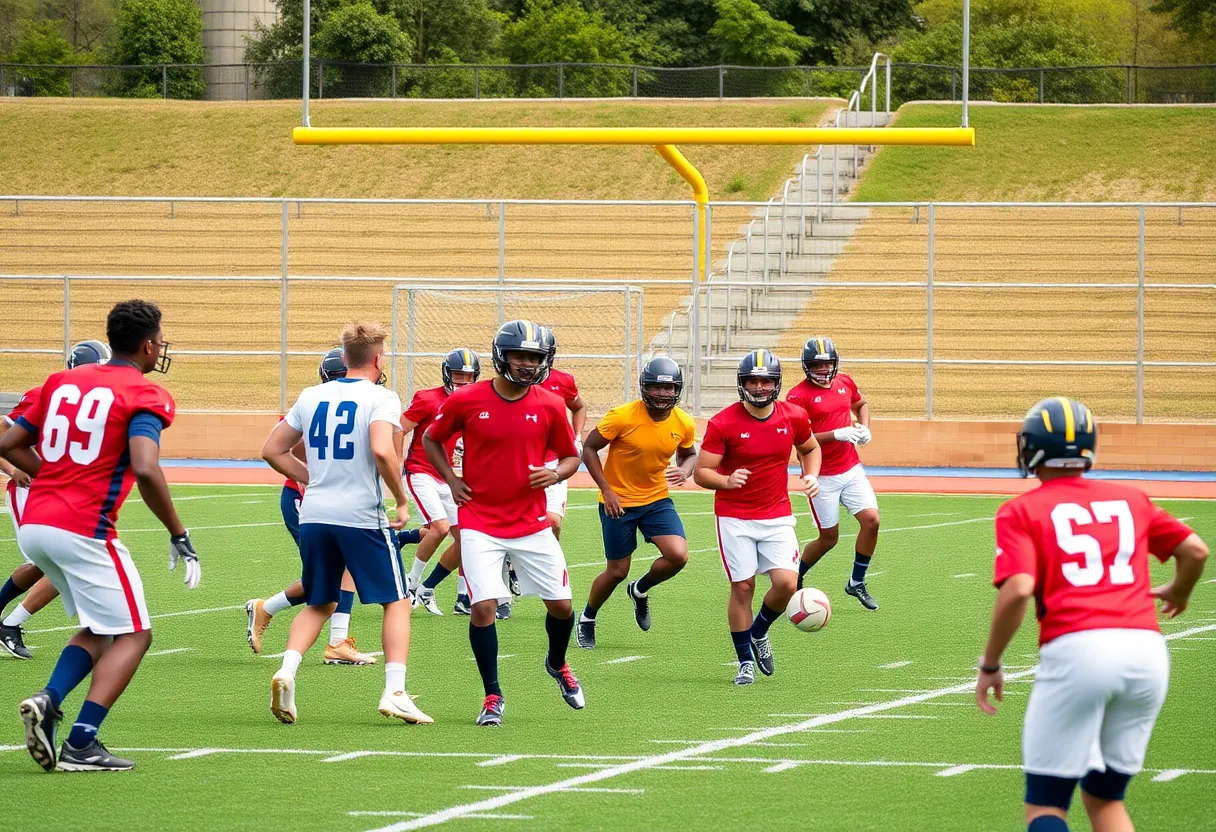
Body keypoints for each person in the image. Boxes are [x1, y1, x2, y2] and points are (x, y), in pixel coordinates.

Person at [976, 396, 1208, 832]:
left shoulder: (1021, 509)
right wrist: (1179, 590)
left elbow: (1020, 588)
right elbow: (1195, 550)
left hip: (1080, 649)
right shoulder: (1131, 498)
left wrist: (991, 662)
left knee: (1046, 804)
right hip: (1147, 651)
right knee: (1105, 798)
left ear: (1032, 449)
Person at [2, 301, 199, 772]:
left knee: (101, 628)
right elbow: (147, 468)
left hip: (37, 526)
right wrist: (178, 532)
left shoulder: (61, 382)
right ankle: (82, 742)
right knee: (136, 634)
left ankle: (50, 701)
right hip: (82, 527)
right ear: (148, 343)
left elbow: (8, 444)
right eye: (161, 338)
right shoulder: (145, 394)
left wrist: (56, 477)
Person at [262, 323, 430, 726]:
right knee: (397, 600)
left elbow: (271, 449)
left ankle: (287, 669)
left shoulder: (311, 395)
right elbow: (380, 448)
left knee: (321, 600)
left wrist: (310, 478)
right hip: (360, 515)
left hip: (316, 513)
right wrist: (402, 499)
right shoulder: (382, 396)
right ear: (377, 359)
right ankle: (395, 691)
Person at [423, 319, 583, 726]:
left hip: (531, 522)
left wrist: (557, 474)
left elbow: (570, 456)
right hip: (479, 521)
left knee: (562, 607)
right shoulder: (466, 399)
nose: (528, 364)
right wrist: (452, 479)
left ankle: (557, 663)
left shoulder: (549, 403)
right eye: (520, 356)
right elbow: (430, 439)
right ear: (501, 356)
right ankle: (492, 695)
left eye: (535, 357)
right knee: (483, 608)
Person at [245, 347, 379, 665]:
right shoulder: (311, 406)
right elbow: (279, 448)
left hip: (332, 504)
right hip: (306, 501)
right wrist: (314, 477)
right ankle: (273, 611)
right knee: (328, 579)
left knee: (337, 573)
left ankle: (334, 641)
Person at [695, 350, 821, 686]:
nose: (760, 386)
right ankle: (744, 662)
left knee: (787, 583)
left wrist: (812, 476)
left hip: (777, 513)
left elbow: (810, 448)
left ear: (776, 383)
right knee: (743, 586)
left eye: (766, 381)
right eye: (753, 380)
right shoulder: (723, 423)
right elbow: (701, 472)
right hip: (735, 517)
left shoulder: (793, 415)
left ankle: (760, 630)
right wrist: (726, 480)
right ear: (742, 383)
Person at [1, 340, 112, 659]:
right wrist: (13, 468)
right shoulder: (44, 395)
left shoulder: (98, 404)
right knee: (63, 564)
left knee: (43, 565)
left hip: (66, 495)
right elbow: (3, 436)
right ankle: (10, 624)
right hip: (31, 490)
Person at [577, 356, 697, 649]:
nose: (664, 394)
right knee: (617, 570)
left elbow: (689, 454)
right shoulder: (622, 416)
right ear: (645, 388)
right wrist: (607, 490)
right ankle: (587, 618)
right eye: (657, 388)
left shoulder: (683, 421)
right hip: (618, 502)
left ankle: (640, 590)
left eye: (670, 389)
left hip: (656, 499)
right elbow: (589, 448)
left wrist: (685, 470)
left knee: (678, 555)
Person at [786, 336, 880, 609]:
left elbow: (861, 404)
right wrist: (837, 433)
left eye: (827, 363)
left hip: (850, 468)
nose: (823, 369)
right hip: (821, 475)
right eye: (817, 364)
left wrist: (864, 427)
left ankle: (856, 582)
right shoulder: (797, 395)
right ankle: (797, 575)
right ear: (806, 366)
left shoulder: (845, 382)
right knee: (829, 539)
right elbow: (798, 438)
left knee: (872, 520)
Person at [399, 348, 479, 617]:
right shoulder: (427, 399)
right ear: (447, 374)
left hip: (449, 478)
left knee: (467, 538)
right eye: (459, 376)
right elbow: (400, 429)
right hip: (420, 471)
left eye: (469, 377)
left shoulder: (473, 403)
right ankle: (410, 584)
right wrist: (397, 462)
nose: (463, 382)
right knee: (440, 527)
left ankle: (436, 590)